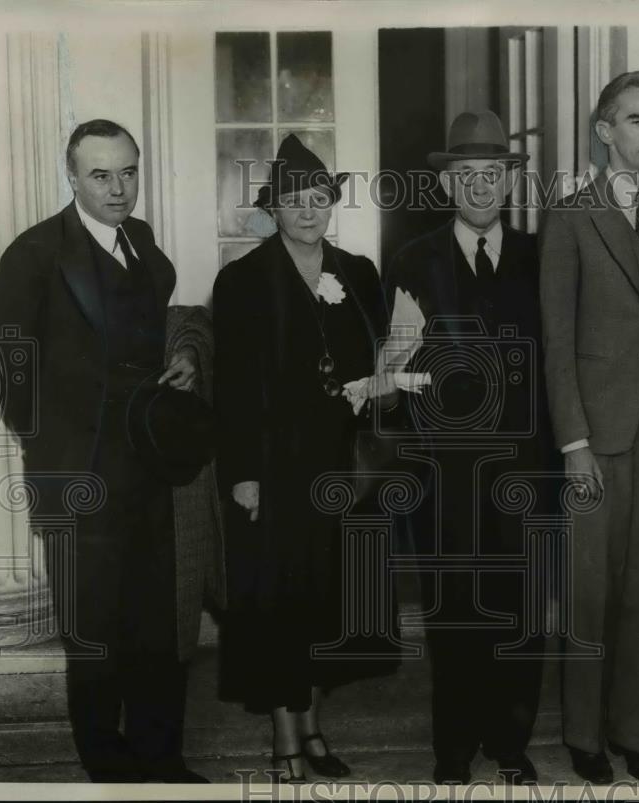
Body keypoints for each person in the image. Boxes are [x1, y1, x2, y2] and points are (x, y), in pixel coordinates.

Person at [0, 119, 210, 783]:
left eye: (129, 172)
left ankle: (159, 760)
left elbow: (164, 319)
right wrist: (55, 442)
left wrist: (182, 358)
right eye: (101, 175)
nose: (119, 188)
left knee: (153, 626)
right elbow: (7, 368)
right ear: (73, 177)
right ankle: (108, 770)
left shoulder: (139, 241)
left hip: (151, 466)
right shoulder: (34, 253)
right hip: (80, 478)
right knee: (94, 633)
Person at [212, 133, 398, 783]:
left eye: (318, 197)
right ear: (275, 208)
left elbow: (382, 363)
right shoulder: (241, 281)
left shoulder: (359, 273)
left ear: (332, 203)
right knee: (279, 605)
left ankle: (314, 726)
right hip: (274, 466)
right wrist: (241, 474)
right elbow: (230, 390)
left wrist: (381, 382)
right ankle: (285, 740)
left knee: (329, 602)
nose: (307, 210)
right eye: (294, 200)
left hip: (341, 465)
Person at [538, 71, 639, 784]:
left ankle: (633, 729)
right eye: (638, 121)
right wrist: (573, 444)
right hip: (593, 440)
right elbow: (557, 339)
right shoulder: (571, 217)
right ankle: (583, 735)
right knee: (588, 591)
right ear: (605, 132)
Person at [384, 110, 552, 786]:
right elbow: (394, 368)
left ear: (509, 181)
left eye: (493, 173)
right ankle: (452, 748)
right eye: (467, 175)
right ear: (447, 183)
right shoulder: (412, 260)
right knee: (453, 609)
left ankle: (511, 742)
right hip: (443, 471)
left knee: (520, 604)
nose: (480, 187)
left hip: (524, 465)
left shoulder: (542, 257)